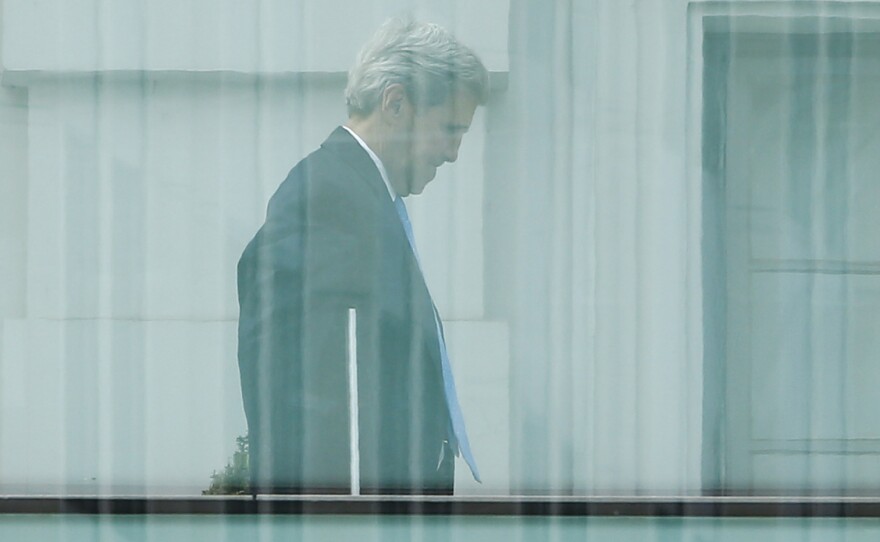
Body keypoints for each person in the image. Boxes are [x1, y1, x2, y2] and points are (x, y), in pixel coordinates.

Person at [236, 18, 489, 495]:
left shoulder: (353, 195)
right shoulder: (334, 200)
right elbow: (335, 404)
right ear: (395, 103)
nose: (454, 152)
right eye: (450, 129)